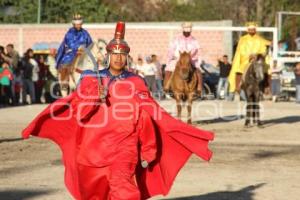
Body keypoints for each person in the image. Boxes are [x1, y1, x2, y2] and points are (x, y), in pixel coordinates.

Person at [22, 21, 214, 200]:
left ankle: (198, 88)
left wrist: (149, 148)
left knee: (123, 187)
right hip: (93, 150)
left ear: (127, 57)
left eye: (122, 54)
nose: (118, 58)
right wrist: (94, 96)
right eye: (114, 54)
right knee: (95, 193)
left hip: (125, 147)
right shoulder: (90, 79)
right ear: (107, 56)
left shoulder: (136, 82)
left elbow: (150, 114)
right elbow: (79, 113)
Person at [228, 22, 271, 100]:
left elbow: (263, 50)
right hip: (246, 60)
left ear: (255, 30)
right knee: (239, 69)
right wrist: (249, 55)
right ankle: (238, 86)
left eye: (253, 29)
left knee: (266, 69)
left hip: (257, 59)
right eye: (250, 29)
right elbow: (240, 51)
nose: (251, 31)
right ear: (247, 30)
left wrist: (257, 55)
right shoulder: (243, 39)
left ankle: (266, 87)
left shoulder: (260, 39)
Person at [56, 14, 93, 96]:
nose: (79, 25)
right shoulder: (69, 33)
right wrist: (78, 48)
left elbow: (90, 43)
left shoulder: (85, 33)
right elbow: (70, 43)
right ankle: (64, 84)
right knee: (65, 64)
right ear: (74, 24)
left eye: (80, 24)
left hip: (84, 54)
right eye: (77, 24)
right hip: (71, 53)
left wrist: (86, 49)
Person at [164, 22, 202, 95]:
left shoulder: (194, 40)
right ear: (183, 29)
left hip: (191, 59)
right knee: (168, 69)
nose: (187, 31)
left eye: (189, 29)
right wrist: (169, 60)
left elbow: (199, 50)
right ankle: (166, 86)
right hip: (178, 59)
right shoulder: (177, 39)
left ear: (191, 30)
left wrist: (197, 61)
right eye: (186, 29)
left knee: (198, 70)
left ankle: (199, 87)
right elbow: (171, 49)